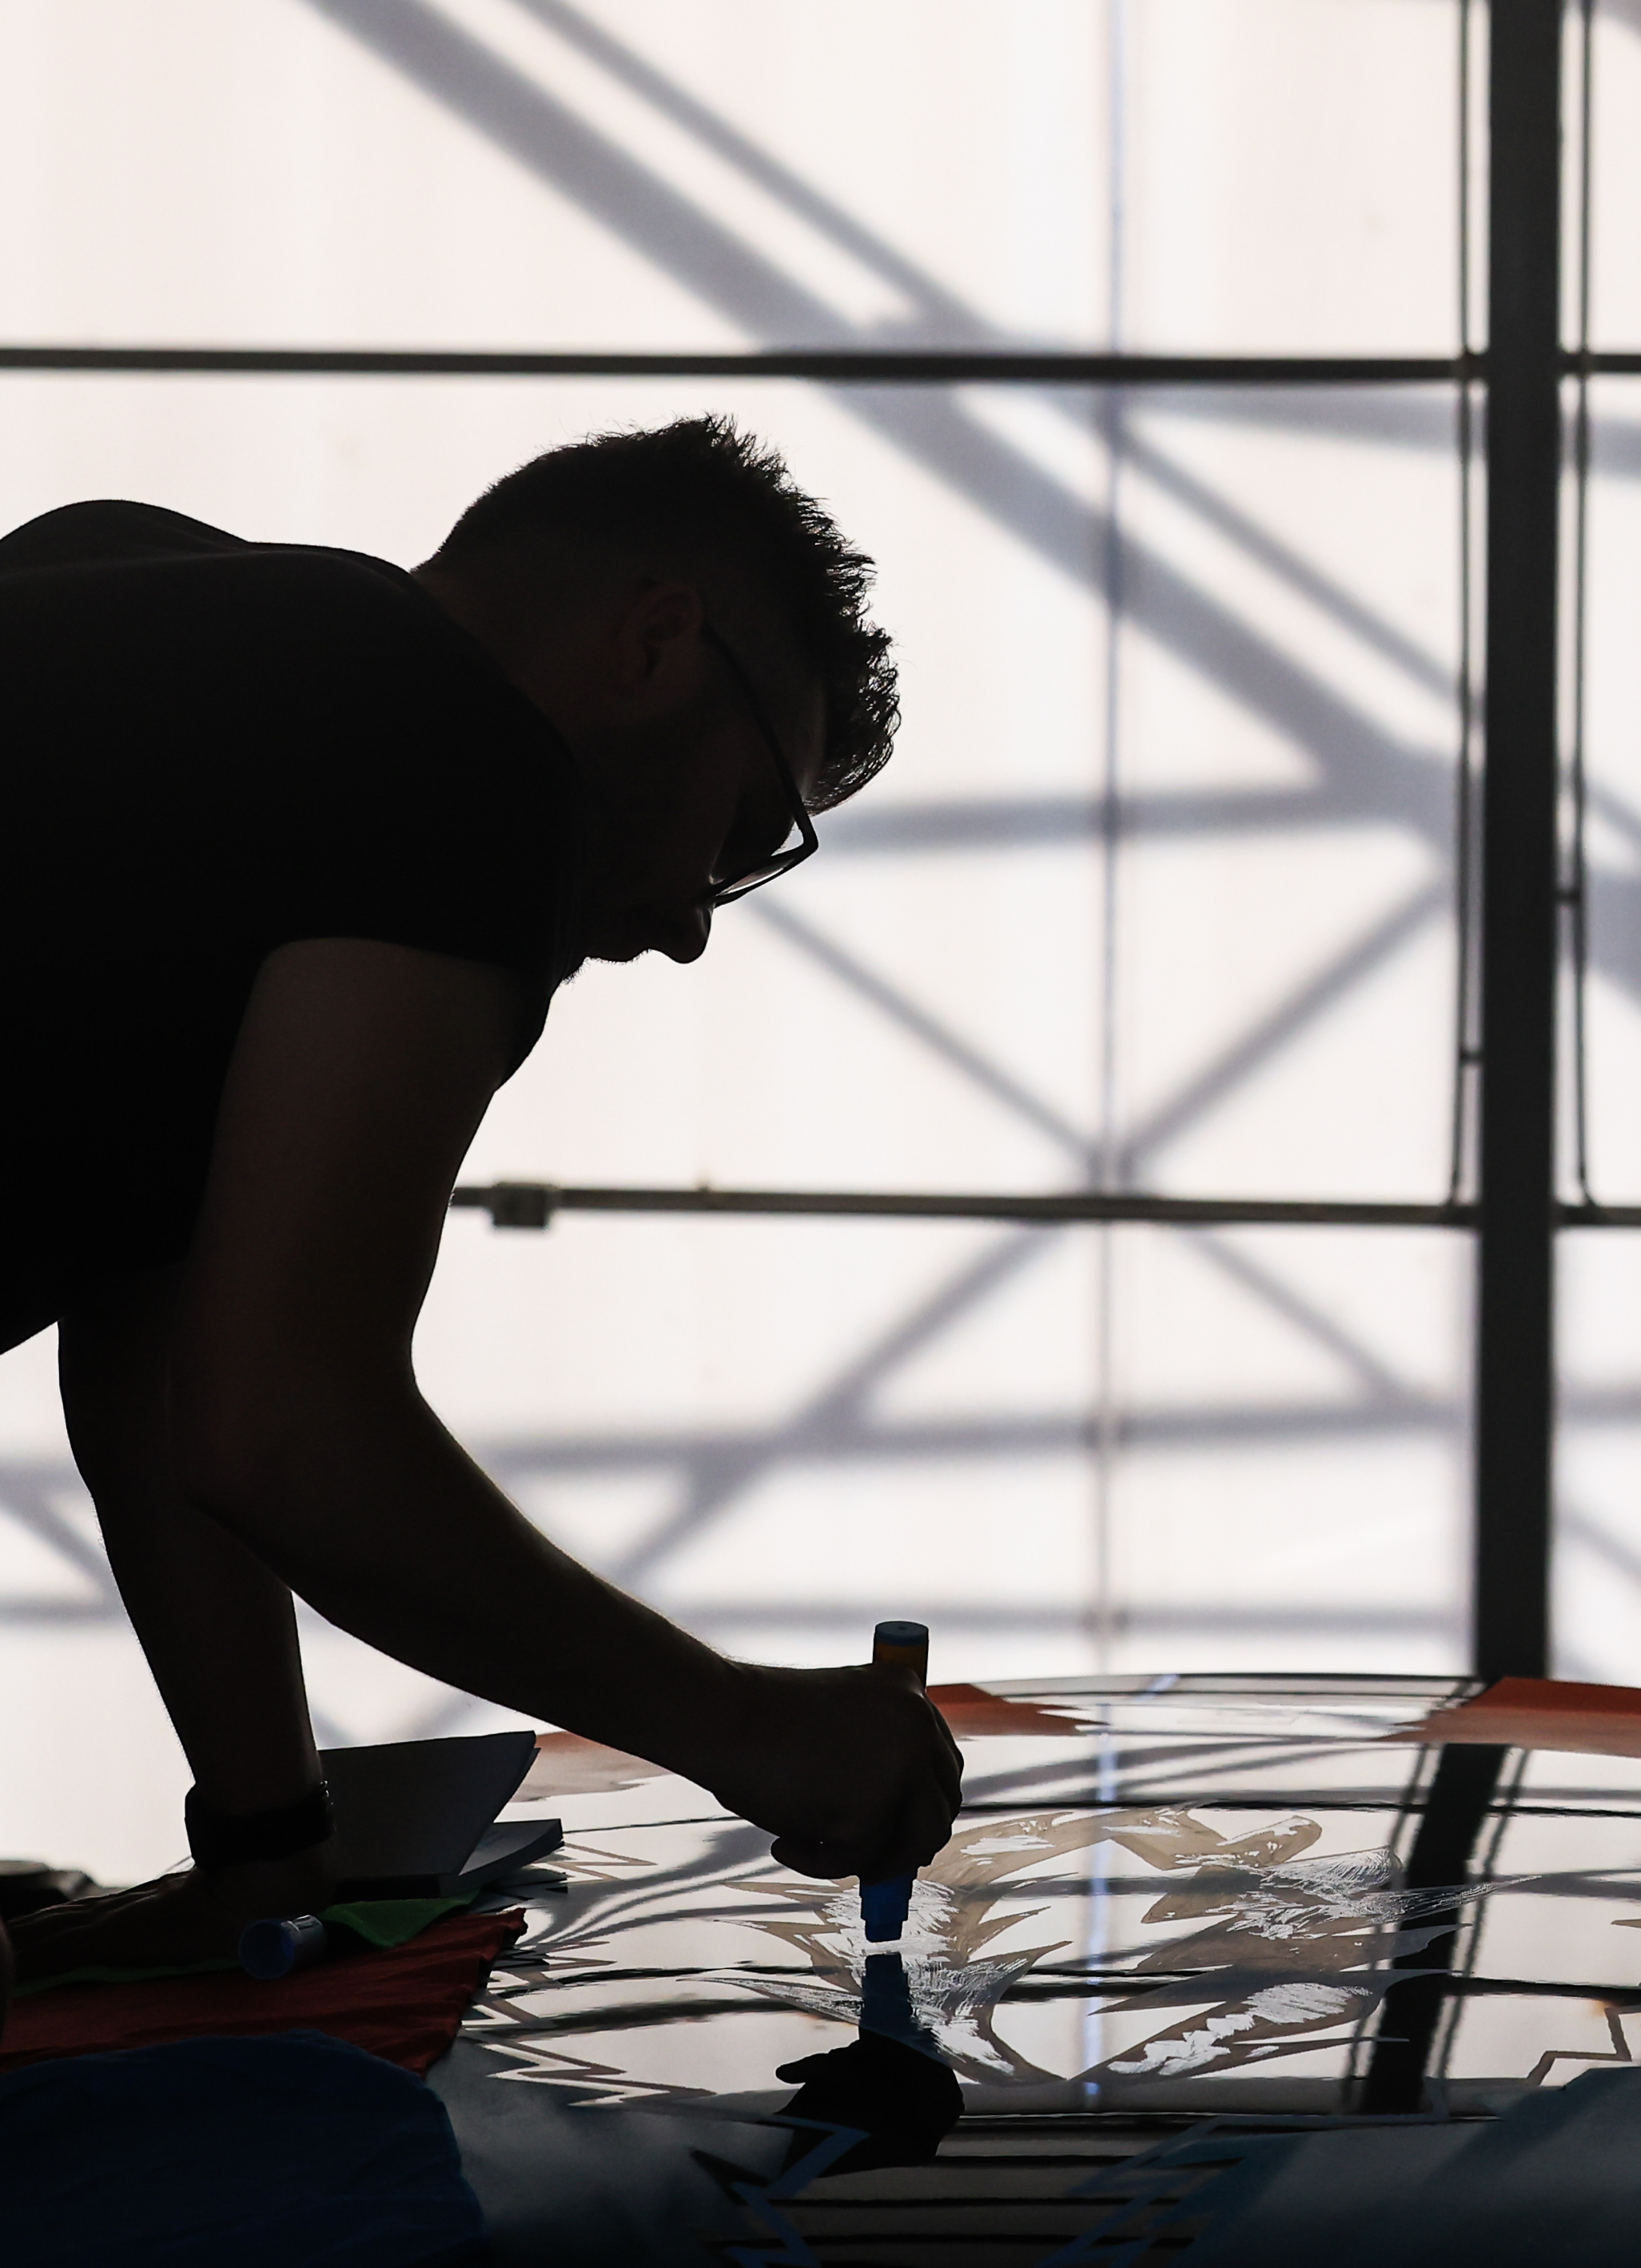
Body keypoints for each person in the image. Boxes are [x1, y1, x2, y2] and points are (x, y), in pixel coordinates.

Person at [0, 417, 962, 2013]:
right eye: (743, 832)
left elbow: (160, 1368)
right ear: (655, 640)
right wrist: (745, 1726)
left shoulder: (119, 582)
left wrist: (268, 1847)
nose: (688, 925)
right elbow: (284, 1427)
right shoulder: (466, 751)